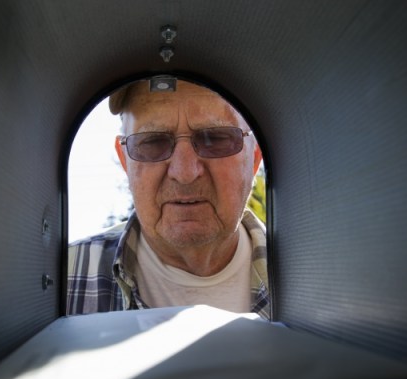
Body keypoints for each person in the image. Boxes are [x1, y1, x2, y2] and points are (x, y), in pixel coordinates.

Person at [66, 78, 270, 319]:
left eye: (214, 139)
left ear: (254, 158)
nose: (184, 173)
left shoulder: (309, 278)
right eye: (153, 142)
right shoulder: (62, 282)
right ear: (125, 161)